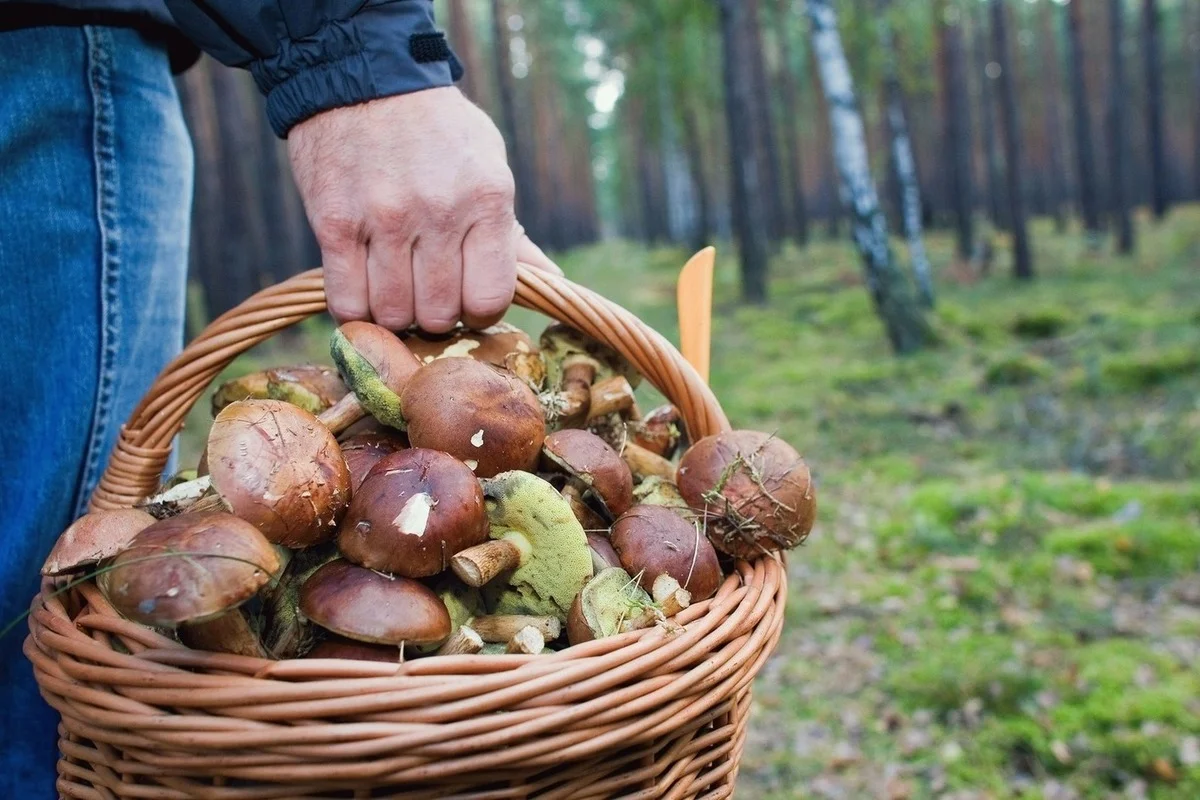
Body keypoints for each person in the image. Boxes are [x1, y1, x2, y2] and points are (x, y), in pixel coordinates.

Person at [0, 1, 560, 794]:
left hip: (38, 53)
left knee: (31, 638)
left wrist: (355, 59)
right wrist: (359, 60)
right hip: (45, 62)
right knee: (57, 633)